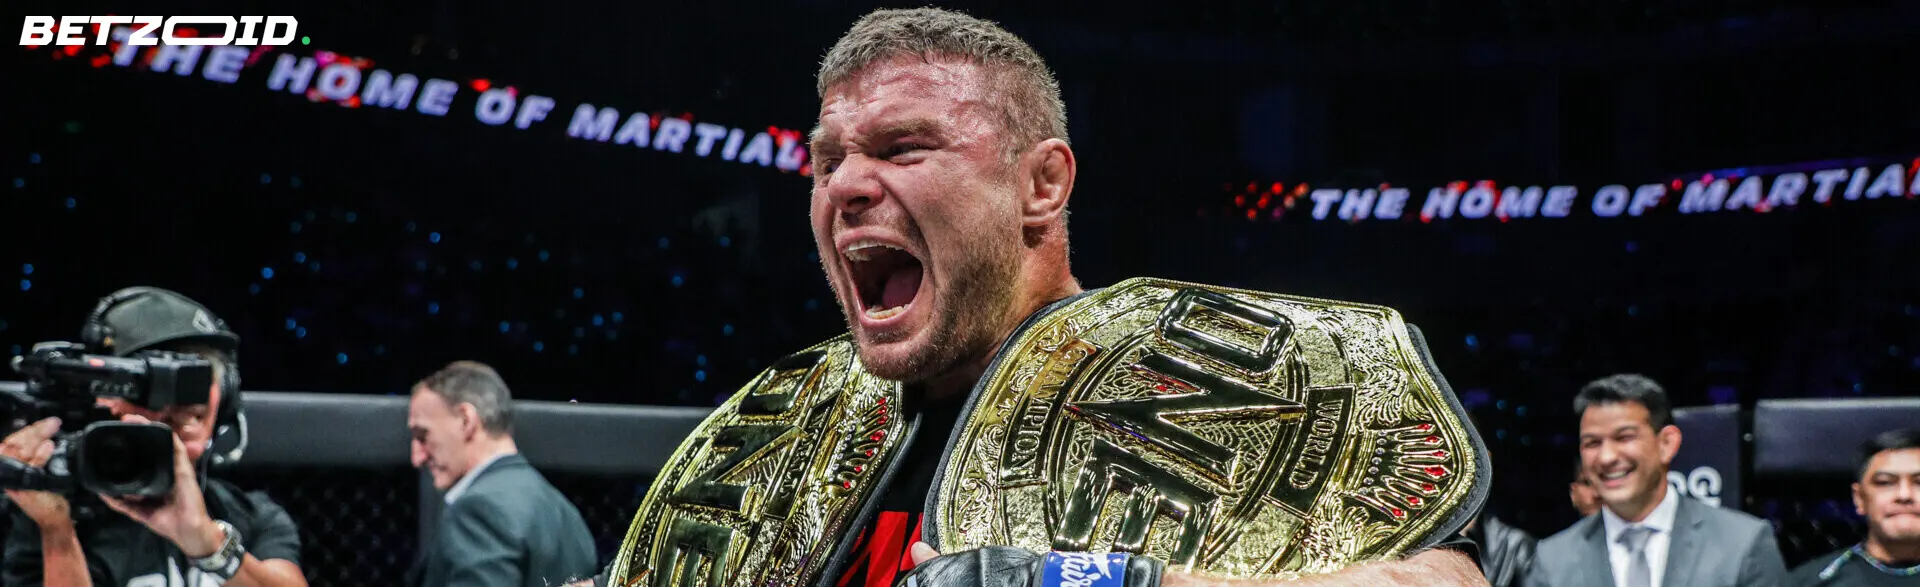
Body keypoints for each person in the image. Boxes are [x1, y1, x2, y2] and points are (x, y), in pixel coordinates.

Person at [576, 7, 1488, 587]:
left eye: (902, 149)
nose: (843, 186)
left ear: (1042, 185)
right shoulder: (786, 427)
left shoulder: (1256, 373)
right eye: (826, 159)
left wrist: (1106, 583)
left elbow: (1443, 583)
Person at [2, 286, 306, 587]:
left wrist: (206, 543)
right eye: (152, 397)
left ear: (221, 405)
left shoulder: (251, 517)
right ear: (104, 400)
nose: (174, 408)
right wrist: (57, 535)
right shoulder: (40, 513)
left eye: (188, 415)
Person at [1527, 374, 1787, 587]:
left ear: (1666, 443)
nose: (1606, 457)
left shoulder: (1742, 543)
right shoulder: (1553, 559)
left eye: (1624, 437)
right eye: (1592, 443)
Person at [405, 361, 597, 587]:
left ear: (466, 420)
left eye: (422, 435)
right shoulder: (563, 510)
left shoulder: (477, 510)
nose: (416, 457)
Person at [1788, 428, 1920, 586]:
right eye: (1885, 482)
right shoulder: (1812, 581)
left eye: (1919, 482)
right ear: (1859, 498)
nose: (1904, 495)